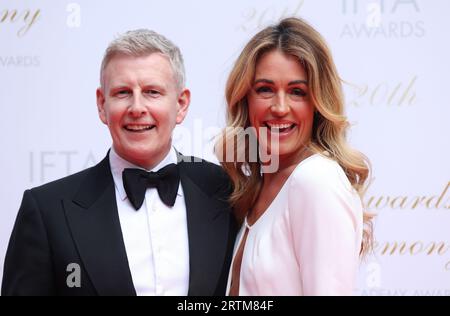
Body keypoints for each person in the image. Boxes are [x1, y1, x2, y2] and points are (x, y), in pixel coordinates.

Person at [2, 29, 237, 296]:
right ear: (102, 105)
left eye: (152, 92)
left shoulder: (227, 192)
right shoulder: (48, 211)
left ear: (181, 104)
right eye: (123, 92)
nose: (137, 108)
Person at [215, 17, 373, 295]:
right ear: (245, 99)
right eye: (265, 89)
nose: (279, 107)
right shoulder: (255, 189)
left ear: (317, 104)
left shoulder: (316, 180)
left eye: (297, 92)